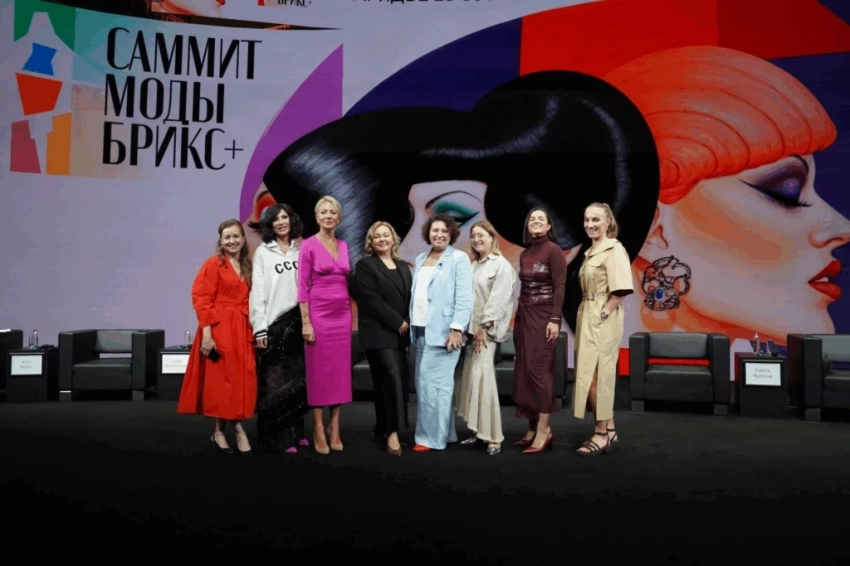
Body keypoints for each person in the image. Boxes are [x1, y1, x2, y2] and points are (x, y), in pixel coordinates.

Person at [178, 219, 256, 456]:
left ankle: (218, 432)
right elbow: (202, 299)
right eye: (227, 237)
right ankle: (239, 430)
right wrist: (207, 335)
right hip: (219, 329)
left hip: (242, 329)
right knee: (225, 383)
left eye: (236, 236)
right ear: (220, 242)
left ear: (243, 239)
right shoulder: (212, 264)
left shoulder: (248, 266)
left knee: (236, 383)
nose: (232, 241)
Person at [409, 213, 473, 452]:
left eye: (444, 231)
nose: (439, 235)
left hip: (445, 333)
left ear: (451, 234)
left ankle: (430, 439)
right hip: (421, 330)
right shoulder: (420, 258)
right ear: (428, 233)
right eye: (435, 230)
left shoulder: (459, 259)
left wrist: (457, 329)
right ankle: (447, 433)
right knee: (430, 386)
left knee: (433, 387)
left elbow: (465, 297)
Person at [573, 203, 634, 456]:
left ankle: (600, 434)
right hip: (587, 312)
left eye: (596, 220)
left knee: (598, 375)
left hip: (601, 314)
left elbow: (621, 289)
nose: (590, 224)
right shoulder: (591, 251)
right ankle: (610, 429)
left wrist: (604, 313)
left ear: (608, 222)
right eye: (587, 219)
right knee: (591, 372)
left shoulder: (614, 249)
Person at [249, 203, 310, 453]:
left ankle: (296, 433)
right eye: (276, 219)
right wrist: (260, 328)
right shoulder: (263, 252)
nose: (281, 222)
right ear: (269, 225)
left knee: (297, 381)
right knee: (275, 383)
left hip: (299, 322)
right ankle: (276, 436)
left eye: (285, 217)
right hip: (274, 325)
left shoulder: (301, 250)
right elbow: (258, 292)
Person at [454, 221, 516, 456]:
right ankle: (480, 431)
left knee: (484, 381)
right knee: (473, 382)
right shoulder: (473, 264)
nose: (476, 239)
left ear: (492, 237)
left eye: (481, 235)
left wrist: (484, 327)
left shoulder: (501, 265)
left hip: (485, 334)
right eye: (473, 236)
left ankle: (494, 437)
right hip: (471, 333)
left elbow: (499, 300)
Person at [297, 196, 353, 454]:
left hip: (342, 316)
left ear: (338, 218)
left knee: (339, 372)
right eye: (323, 212)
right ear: (316, 217)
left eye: (332, 212)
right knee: (319, 372)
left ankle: (335, 426)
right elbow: (302, 287)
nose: (328, 216)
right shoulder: (308, 245)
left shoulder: (344, 245)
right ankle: (318, 428)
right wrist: (306, 322)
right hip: (318, 315)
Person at [354, 221, 413, 456]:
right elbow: (370, 299)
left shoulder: (402, 265)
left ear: (393, 238)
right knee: (392, 378)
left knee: (388, 382)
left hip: (400, 333)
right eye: (376, 236)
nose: (381, 239)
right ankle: (392, 433)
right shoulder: (365, 265)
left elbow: (409, 297)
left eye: (385, 235)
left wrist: (406, 320)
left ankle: (381, 428)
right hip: (378, 332)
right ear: (371, 241)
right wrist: (397, 321)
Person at [512, 208, 567, 454]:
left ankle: (544, 430)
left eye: (540, 219)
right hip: (524, 317)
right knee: (524, 371)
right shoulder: (525, 253)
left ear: (548, 226)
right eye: (531, 219)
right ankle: (532, 427)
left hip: (545, 317)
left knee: (539, 372)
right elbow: (524, 289)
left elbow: (560, 287)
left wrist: (555, 319)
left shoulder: (554, 251)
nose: (535, 222)